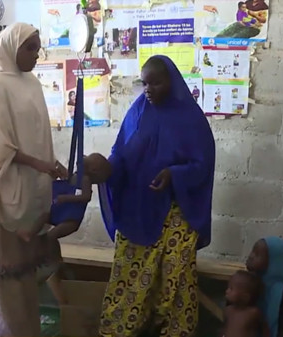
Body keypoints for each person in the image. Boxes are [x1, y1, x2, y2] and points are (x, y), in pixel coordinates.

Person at [98, 55, 216, 337]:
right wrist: (104, 168)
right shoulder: (137, 112)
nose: (148, 89)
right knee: (129, 274)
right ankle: (119, 330)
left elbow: (202, 164)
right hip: (138, 210)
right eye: (145, 83)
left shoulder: (190, 119)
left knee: (175, 278)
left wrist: (173, 174)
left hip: (177, 211)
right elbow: (121, 156)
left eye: (156, 83)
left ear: (172, 82)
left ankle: (174, 331)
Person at [0, 22, 67, 337]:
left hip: (30, 192)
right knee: (7, 277)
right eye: (30, 48)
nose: (36, 55)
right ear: (11, 47)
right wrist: (40, 164)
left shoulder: (32, 83)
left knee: (26, 275)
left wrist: (49, 165)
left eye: (38, 48)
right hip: (3, 194)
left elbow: (37, 136)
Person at [34, 153, 112, 305]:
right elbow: (68, 179)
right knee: (47, 231)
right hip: (62, 214)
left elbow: (86, 197)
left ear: (93, 170)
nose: (80, 161)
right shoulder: (78, 175)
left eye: (86, 161)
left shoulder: (85, 179)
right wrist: (58, 167)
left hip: (71, 219)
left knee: (51, 236)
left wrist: (66, 198)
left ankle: (54, 261)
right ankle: (53, 258)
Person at [246, 237, 283, 337]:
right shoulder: (245, 283)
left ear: (274, 260)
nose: (250, 256)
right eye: (252, 251)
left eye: (257, 254)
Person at [223, 270, 269, 337]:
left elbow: (265, 329)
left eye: (231, 288)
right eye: (228, 287)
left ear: (245, 297)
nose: (227, 291)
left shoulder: (253, 313)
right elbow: (225, 328)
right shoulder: (228, 310)